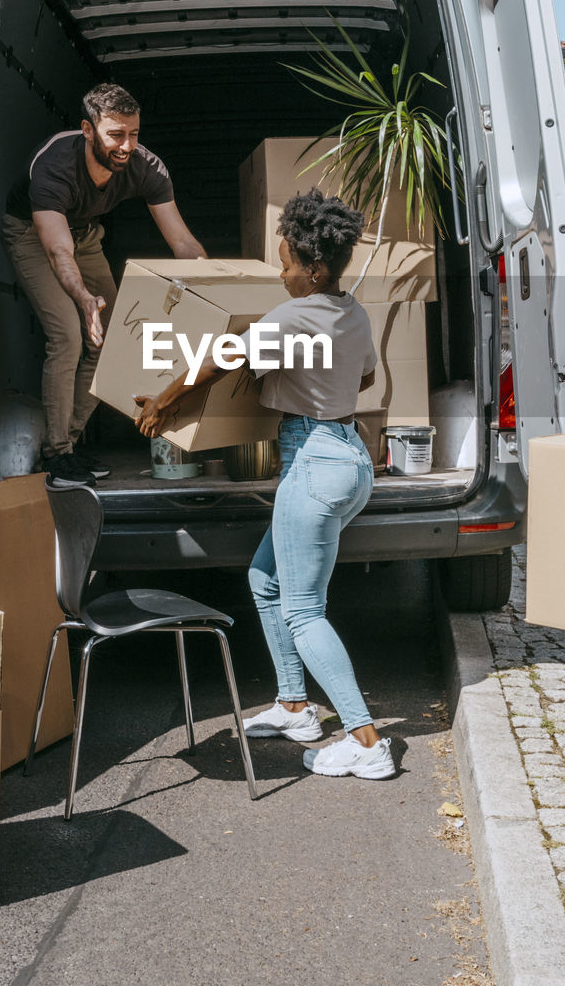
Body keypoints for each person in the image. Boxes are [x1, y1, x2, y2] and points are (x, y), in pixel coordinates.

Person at [135, 187, 394, 780]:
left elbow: (217, 361)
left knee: (303, 609)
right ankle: (295, 706)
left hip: (314, 462)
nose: (280, 275)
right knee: (265, 577)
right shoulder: (351, 310)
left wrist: (162, 404)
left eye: (285, 265)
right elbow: (365, 377)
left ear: (314, 268)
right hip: (348, 454)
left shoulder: (294, 317)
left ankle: (366, 739)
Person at [2, 82, 206, 485]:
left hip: (85, 236)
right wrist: (83, 299)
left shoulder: (146, 166)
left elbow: (182, 241)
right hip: (33, 234)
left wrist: (215, 287)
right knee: (68, 337)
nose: (127, 146)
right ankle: (56, 457)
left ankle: (66, 446)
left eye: (134, 134)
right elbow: (58, 250)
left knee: (112, 340)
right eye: (116, 134)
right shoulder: (53, 167)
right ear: (88, 130)